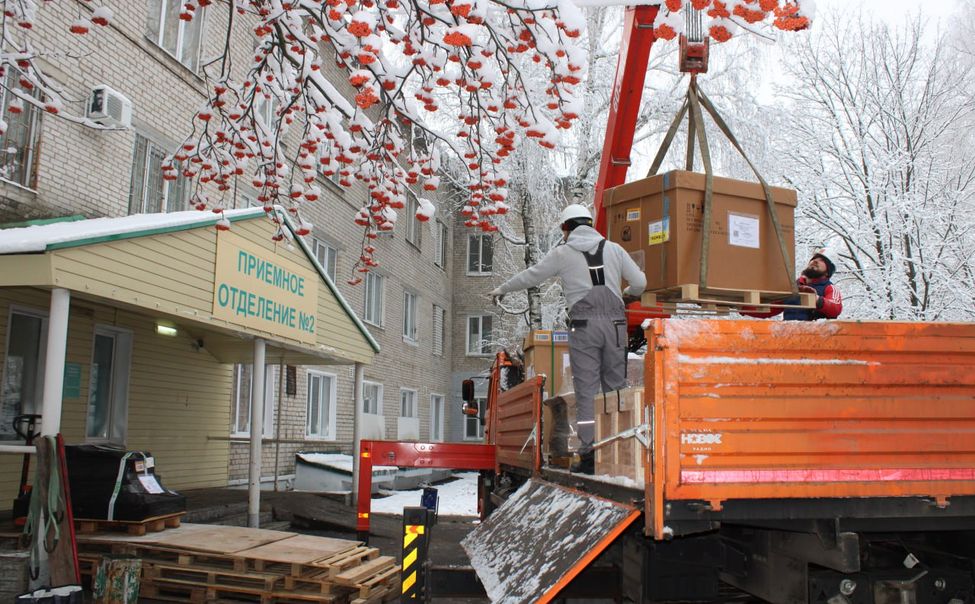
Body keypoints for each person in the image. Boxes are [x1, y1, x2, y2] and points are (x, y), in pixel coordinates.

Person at [489, 204, 647, 474]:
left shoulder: (562, 253)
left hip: (584, 326)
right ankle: (619, 450)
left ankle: (588, 456)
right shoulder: (615, 250)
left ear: (566, 228)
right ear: (588, 224)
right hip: (615, 325)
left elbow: (532, 275)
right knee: (616, 388)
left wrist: (503, 288)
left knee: (586, 389)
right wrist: (629, 293)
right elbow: (641, 282)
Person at [742, 250, 843, 320]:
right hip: (790, 336)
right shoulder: (794, 287)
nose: (815, 261)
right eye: (814, 259)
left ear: (828, 272)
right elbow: (770, 309)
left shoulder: (830, 288)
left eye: (822, 260)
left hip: (817, 339)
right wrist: (743, 307)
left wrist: (816, 299)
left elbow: (835, 308)